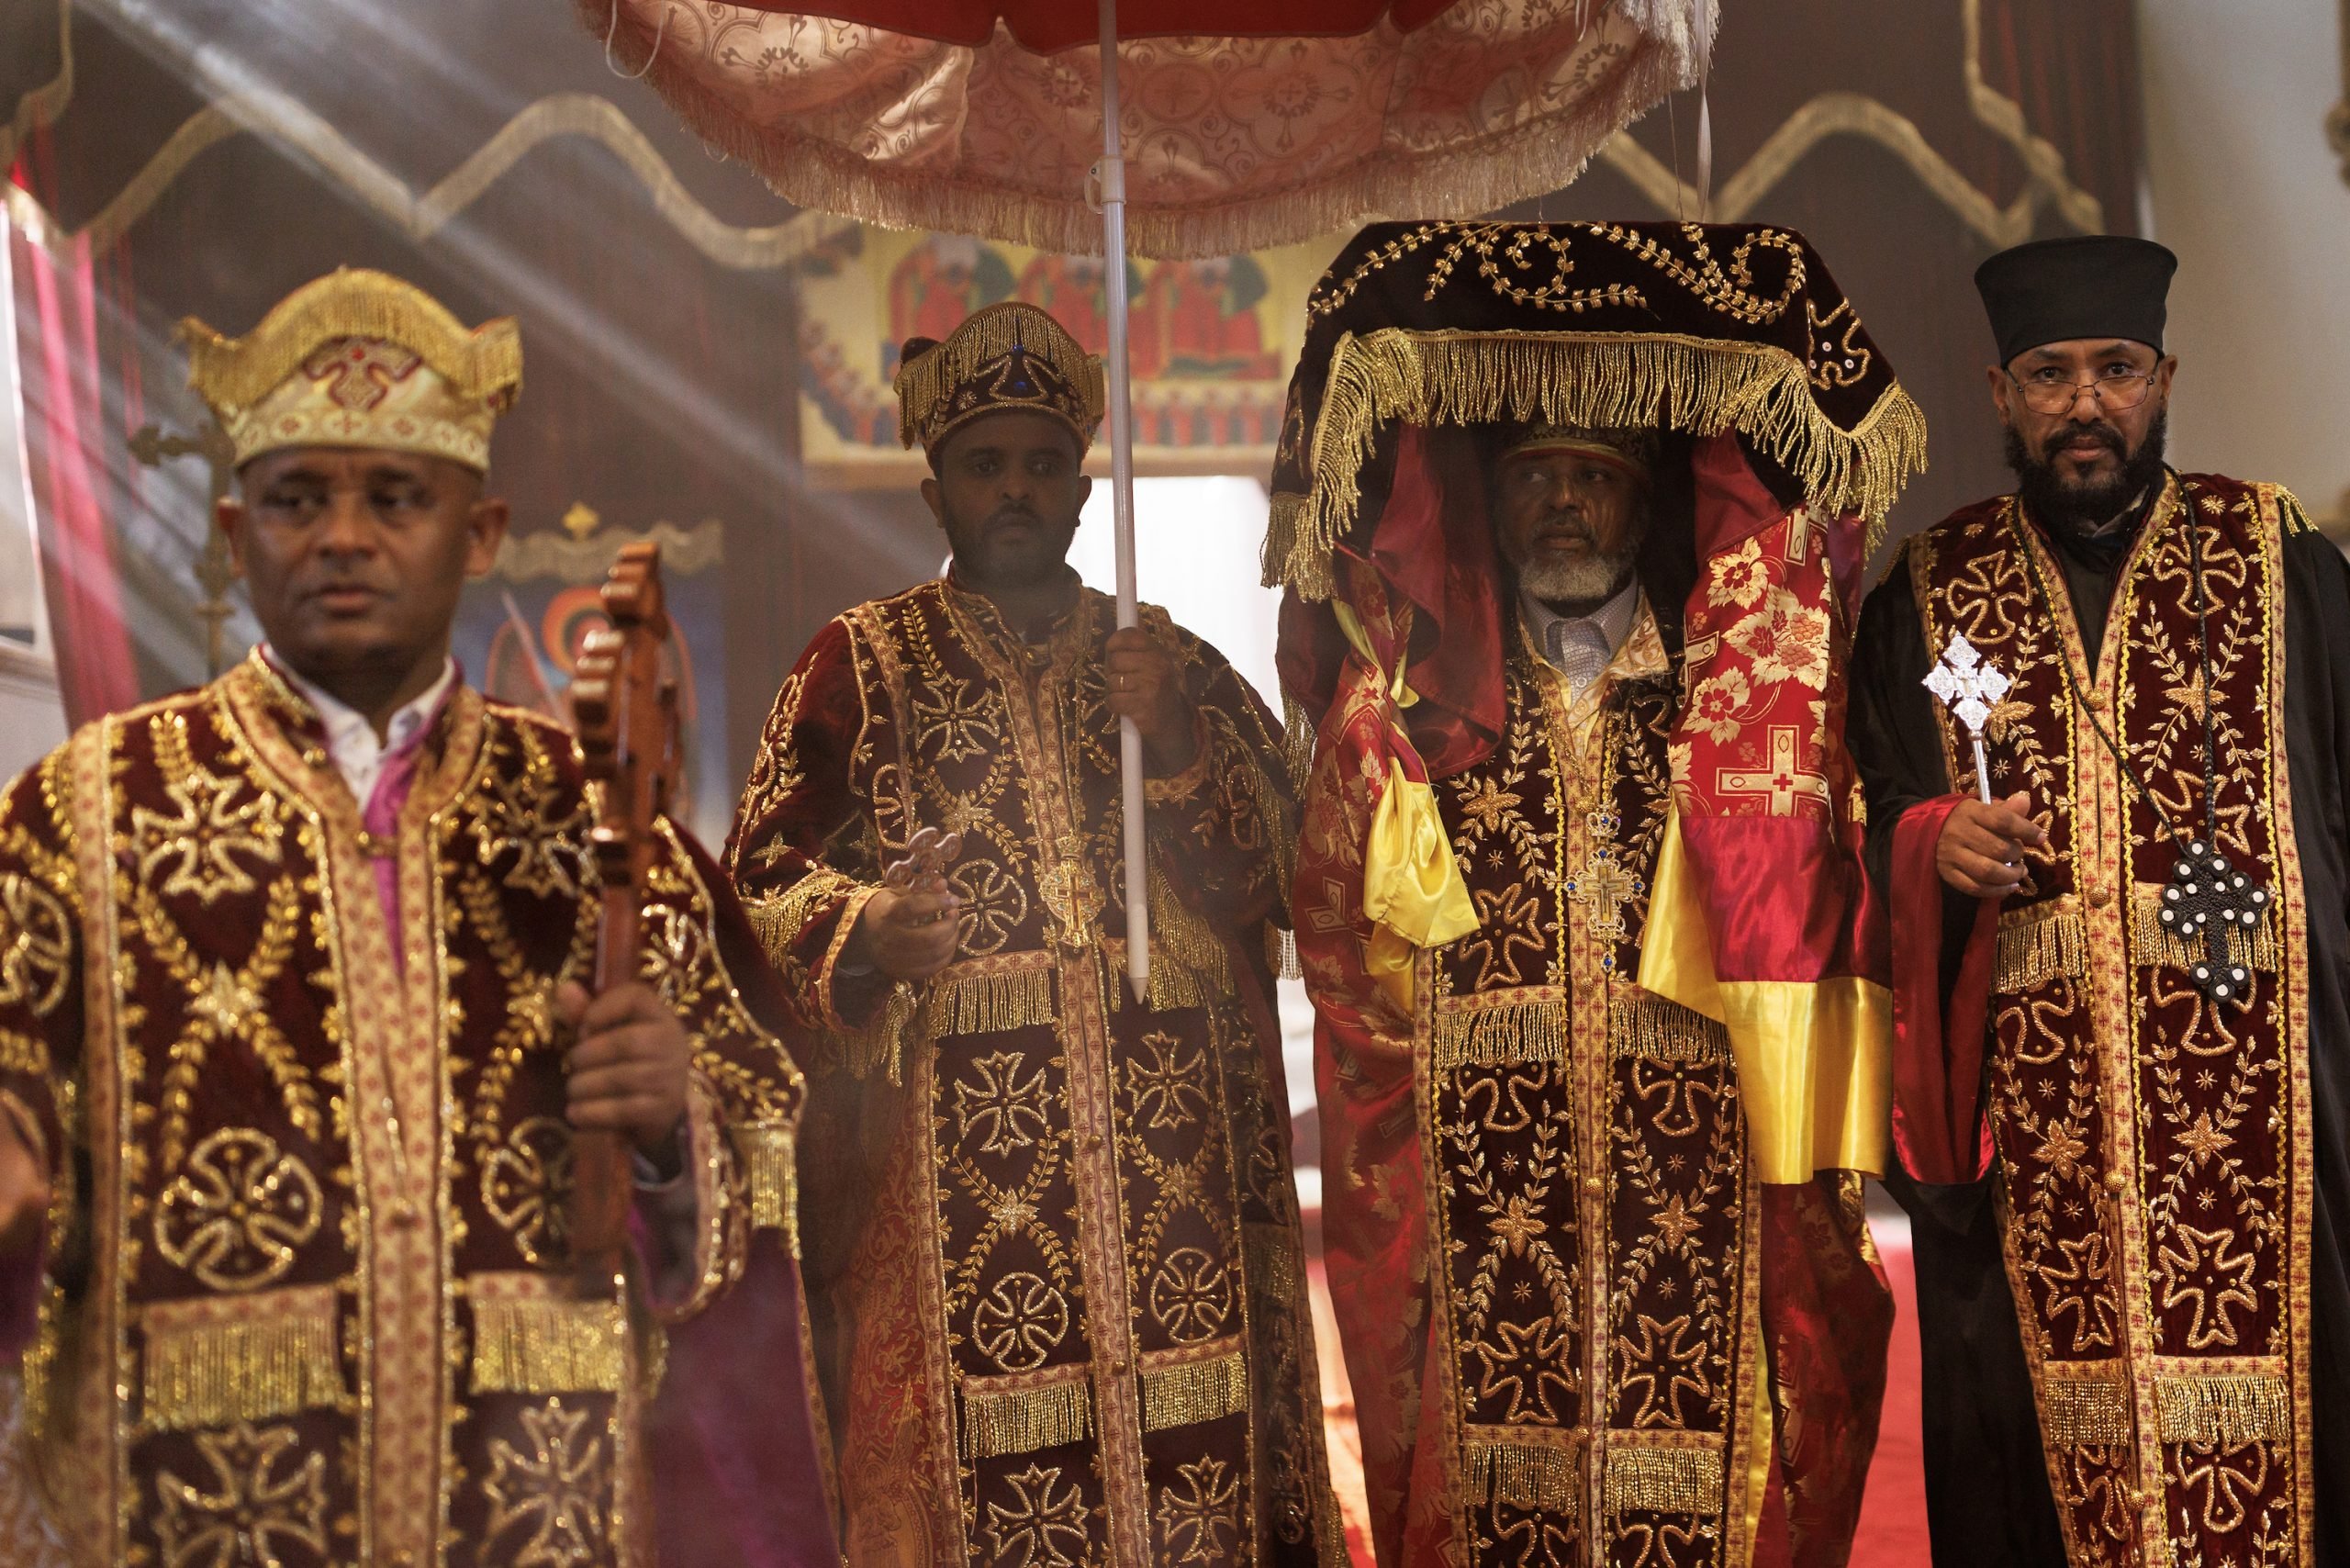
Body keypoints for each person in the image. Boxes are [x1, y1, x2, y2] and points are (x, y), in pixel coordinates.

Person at [0, 268, 824, 1568]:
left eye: (394, 498)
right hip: (189, 1509)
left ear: (481, 529)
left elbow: (776, 1158)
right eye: (295, 500)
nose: (341, 537)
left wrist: (676, 1123)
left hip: (534, 1493)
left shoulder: (597, 824)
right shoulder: (84, 821)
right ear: (232, 532)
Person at [1272, 219, 1919, 1568]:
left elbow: (1827, 929)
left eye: (1597, 477)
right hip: (1482, 1200)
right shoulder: (1416, 716)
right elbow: (1344, 953)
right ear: (1488, 502)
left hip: (1706, 1203)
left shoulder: (1737, 710)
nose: (1565, 505)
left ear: (1649, 502)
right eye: (1536, 479)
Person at [725, 301, 1341, 1566]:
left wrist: (1173, 741)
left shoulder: (1168, 660)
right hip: (958, 1198)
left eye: (1044, 464)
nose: (1017, 489)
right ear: (936, 485)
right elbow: (754, 893)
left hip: (1182, 1195)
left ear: (1082, 480)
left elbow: (1295, 879)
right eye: (986, 465)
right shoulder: (856, 666)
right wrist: (866, 931)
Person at [1851, 234, 2345, 1567]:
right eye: (2053, 374)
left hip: (2270, 1105)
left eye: (2116, 370)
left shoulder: (2278, 557)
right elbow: (1865, 814)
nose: (2086, 403)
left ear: (2164, 377)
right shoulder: (1926, 591)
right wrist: (1929, 838)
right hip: (2033, 1119)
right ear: (2000, 391)